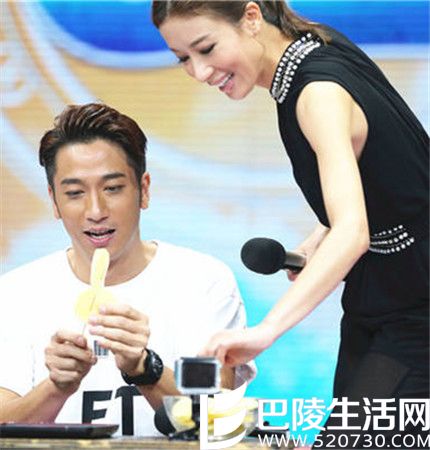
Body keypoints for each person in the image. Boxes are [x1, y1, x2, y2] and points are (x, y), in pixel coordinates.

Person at [152, 1, 429, 447]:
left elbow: (353, 231)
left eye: (206, 48)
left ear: (251, 17)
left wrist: (264, 332)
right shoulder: (314, 49)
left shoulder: (317, 93)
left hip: (416, 312)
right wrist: (321, 237)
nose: (199, 72)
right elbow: (388, 173)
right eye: (184, 58)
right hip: (382, 299)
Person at [0, 103, 255, 436]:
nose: (95, 211)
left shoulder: (202, 281)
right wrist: (56, 388)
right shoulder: (16, 292)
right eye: (75, 193)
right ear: (54, 201)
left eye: (112, 188)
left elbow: (218, 424)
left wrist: (145, 369)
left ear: (144, 190)